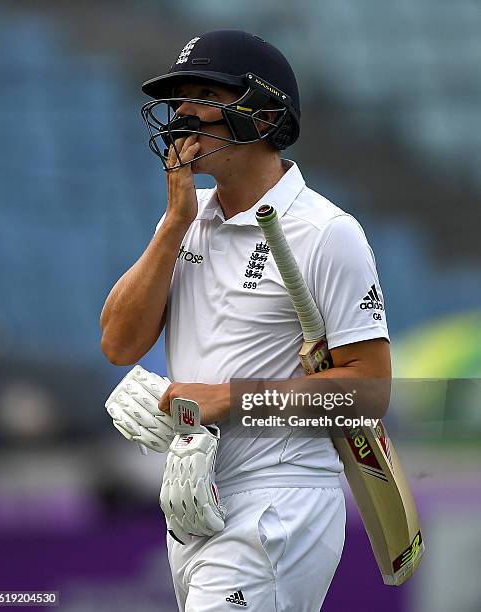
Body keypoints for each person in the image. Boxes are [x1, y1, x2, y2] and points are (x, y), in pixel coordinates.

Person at [101, 29, 391, 612]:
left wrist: (227, 399)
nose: (180, 115)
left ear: (261, 116)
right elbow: (118, 342)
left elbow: (368, 392)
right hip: (195, 495)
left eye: (203, 94)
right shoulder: (188, 221)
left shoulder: (327, 233)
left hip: (279, 502)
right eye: (176, 99)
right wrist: (174, 222)